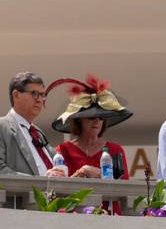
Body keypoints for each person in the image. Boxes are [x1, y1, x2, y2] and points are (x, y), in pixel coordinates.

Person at [50, 74, 131, 214]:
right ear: (79, 120)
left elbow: (125, 188)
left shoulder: (115, 150)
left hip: (110, 217)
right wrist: (82, 172)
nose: (97, 121)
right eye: (91, 116)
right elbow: (59, 188)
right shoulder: (63, 150)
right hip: (75, 217)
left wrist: (99, 173)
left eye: (101, 117)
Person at [0, 72, 67, 177]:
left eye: (42, 95)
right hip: (24, 193)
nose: (40, 100)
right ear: (16, 95)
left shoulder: (38, 133)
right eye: (34, 93)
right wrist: (39, 182)